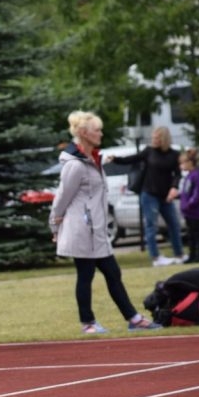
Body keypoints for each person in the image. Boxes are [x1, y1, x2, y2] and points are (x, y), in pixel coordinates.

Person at [49, 111, 161, 333]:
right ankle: (88, 323)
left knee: (113, 273)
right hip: (82, 230)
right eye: (96, 130)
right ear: (83, 133)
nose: (101, 133)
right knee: (86, 275)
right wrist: (55, 227)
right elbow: (61, 199)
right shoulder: (75, 165)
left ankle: (133, 319)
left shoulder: (93, 159)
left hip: (97, 231)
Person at [105, 126, 184, 266]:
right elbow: (132, 159)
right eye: (153, 137)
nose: (154, 140)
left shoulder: (174, 154)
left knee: (174, 224)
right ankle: (155, 257)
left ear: (164, 139)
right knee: (151, 225)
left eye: (157, 137)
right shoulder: (149, 152)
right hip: (149, 193)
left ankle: (179, 254)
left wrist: (174, 187)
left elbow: (177, 174)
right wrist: (115, 159)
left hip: (166, 195)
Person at [177, 148, 199, 263]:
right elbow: (185, 192)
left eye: (182, 163)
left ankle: (197, 255)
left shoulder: (196, 175)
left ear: (190, 163)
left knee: (196, 234)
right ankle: (192, 255)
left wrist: (190, 203)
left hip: (195, 212)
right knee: (190, 235)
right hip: (188, 212)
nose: (181, 165)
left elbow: (197, 192)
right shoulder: (188, 176)